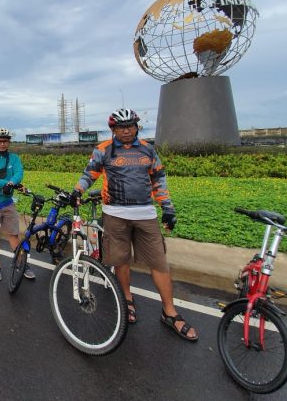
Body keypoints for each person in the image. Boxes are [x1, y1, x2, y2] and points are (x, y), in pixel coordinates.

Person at [70, 108, 198, 341]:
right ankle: (127, 300)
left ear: (137, 127)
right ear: (113, 129)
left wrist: (167, 208)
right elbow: (90, 173)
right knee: (121, 260)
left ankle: (169, 311)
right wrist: (78, 190)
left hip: (146, 214)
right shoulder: (104, 150)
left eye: (130, 126)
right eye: (121, 126)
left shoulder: (148, 149)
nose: (126, 130)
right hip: (115, 214)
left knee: (159, 262)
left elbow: (158, 179)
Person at [0, 128, 35, 282]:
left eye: (5, 141)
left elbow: (19, 173)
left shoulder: (14, 158)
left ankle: (22, 264)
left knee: (13, 234)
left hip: (8, 202)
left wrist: (11, 183)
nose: (2, 144)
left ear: (9, 142)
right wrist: (7, 183)